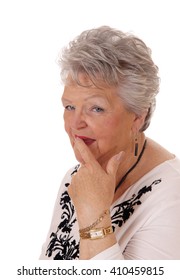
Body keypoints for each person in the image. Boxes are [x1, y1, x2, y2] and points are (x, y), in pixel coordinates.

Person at [39, 26, 180, 260]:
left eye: (96, 108)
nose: (75, 123)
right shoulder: (77, 178)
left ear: (137, 116)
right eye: (69, 107)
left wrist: (94, 213)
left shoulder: (172, 197)